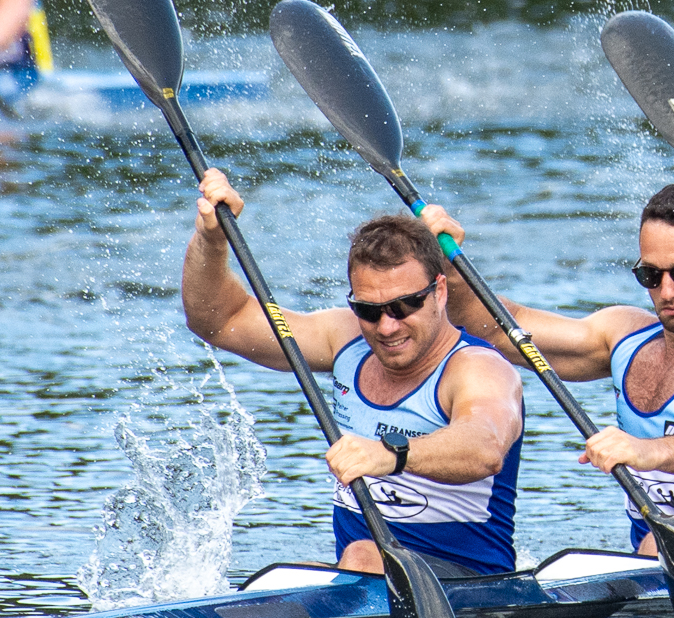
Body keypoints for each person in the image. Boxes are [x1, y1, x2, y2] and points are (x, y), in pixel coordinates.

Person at [424, 183, 674, 557]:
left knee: (661, 542)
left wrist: (645, 451)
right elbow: (502, 329)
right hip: (656, 557)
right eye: (651, 276)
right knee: (652, 545)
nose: (668, 291)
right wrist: (450, 266)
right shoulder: (624, 337)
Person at [183, 169, 525, 577]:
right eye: (368, 310)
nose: (386, 327)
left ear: (440, 291)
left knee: (362, 553)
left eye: (404, 306)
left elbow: (483, 448)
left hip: (470, 586)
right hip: (364, 574)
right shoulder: (342, 339)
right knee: (277, 579)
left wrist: (389, 454)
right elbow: (219, 319)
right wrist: (211, 237)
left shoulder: (478, 368)